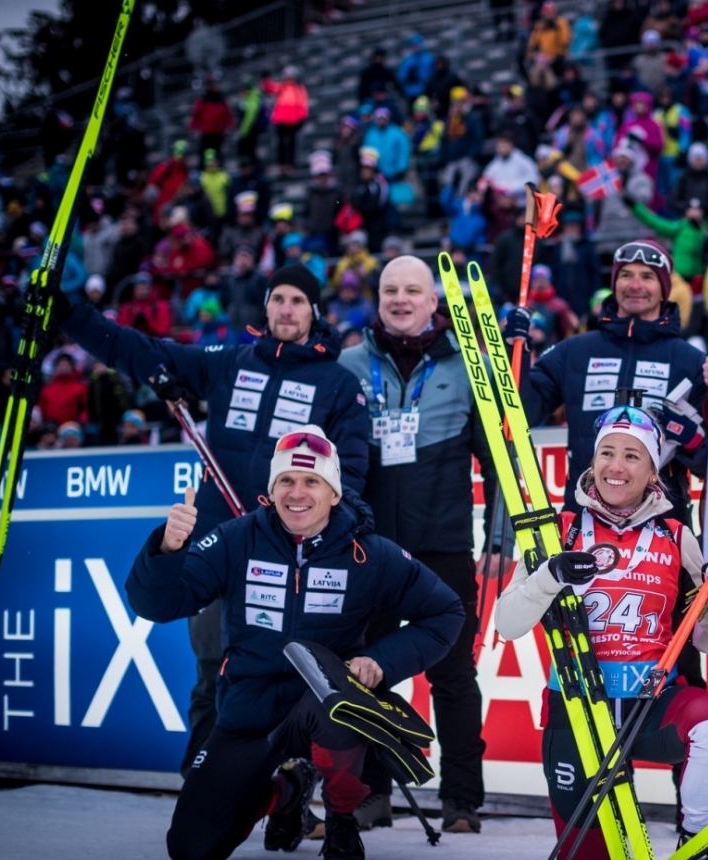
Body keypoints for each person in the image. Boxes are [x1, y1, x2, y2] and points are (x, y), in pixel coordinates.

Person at [56, 264, 371, 777]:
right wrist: (71, 317)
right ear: (266, 306)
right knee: (212, 670)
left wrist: (323, 536)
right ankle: (203, 786)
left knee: (286, 676)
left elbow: (351, 474)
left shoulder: (337, 384)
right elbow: (142, 352)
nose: (286, 309)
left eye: (297, 300)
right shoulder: (230, 362)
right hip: (221, 549)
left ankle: (289, 790)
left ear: (314, 310)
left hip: (289, 557)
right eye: (278, 299)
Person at [129, 426, 464, 860]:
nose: (297, 493)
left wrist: (380, 662)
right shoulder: (236, 539)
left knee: (340, 706)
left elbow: (445, 612)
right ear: (271, 490)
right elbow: (158, 604)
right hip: (248, 714)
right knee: (192, 848)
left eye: (312, 481)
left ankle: (342, 821)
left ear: (334, 493)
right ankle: (286, 791)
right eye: (286, 480)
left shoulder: (369, 552)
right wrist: (168, 549)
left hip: (323, 705)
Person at [494, 403, 708, 849]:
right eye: (607, 452)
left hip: (650, 704)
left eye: (632, 455)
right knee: (587, 851)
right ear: (592, 462)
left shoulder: (675, 535)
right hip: (577, 709)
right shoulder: (558, 529)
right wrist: (551, 575)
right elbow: (507, 624)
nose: (616, 466)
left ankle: (698, 837)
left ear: (652, 472)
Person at [336, 256, 505, 833]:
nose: (401, 300)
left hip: (444, 548)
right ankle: (370, 796)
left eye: (413, 290)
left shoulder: (469, 367)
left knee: (454, 675)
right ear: (376, 298)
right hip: (368, 549)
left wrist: (499, 536)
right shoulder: (351, 363)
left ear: (435, 302)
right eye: (390, 290)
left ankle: (461, 802)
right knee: (366, 673)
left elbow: (499, 461)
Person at [512, 240, 707, 528]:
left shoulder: (691, 362)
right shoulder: (574, 351)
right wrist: (514, 353)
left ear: (664, 288)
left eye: (648, 276)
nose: (635, 284)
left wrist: (692, 440)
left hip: (662, 528)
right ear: (614, 283)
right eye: (626, 274)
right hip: (582, 522)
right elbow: (521, 412)